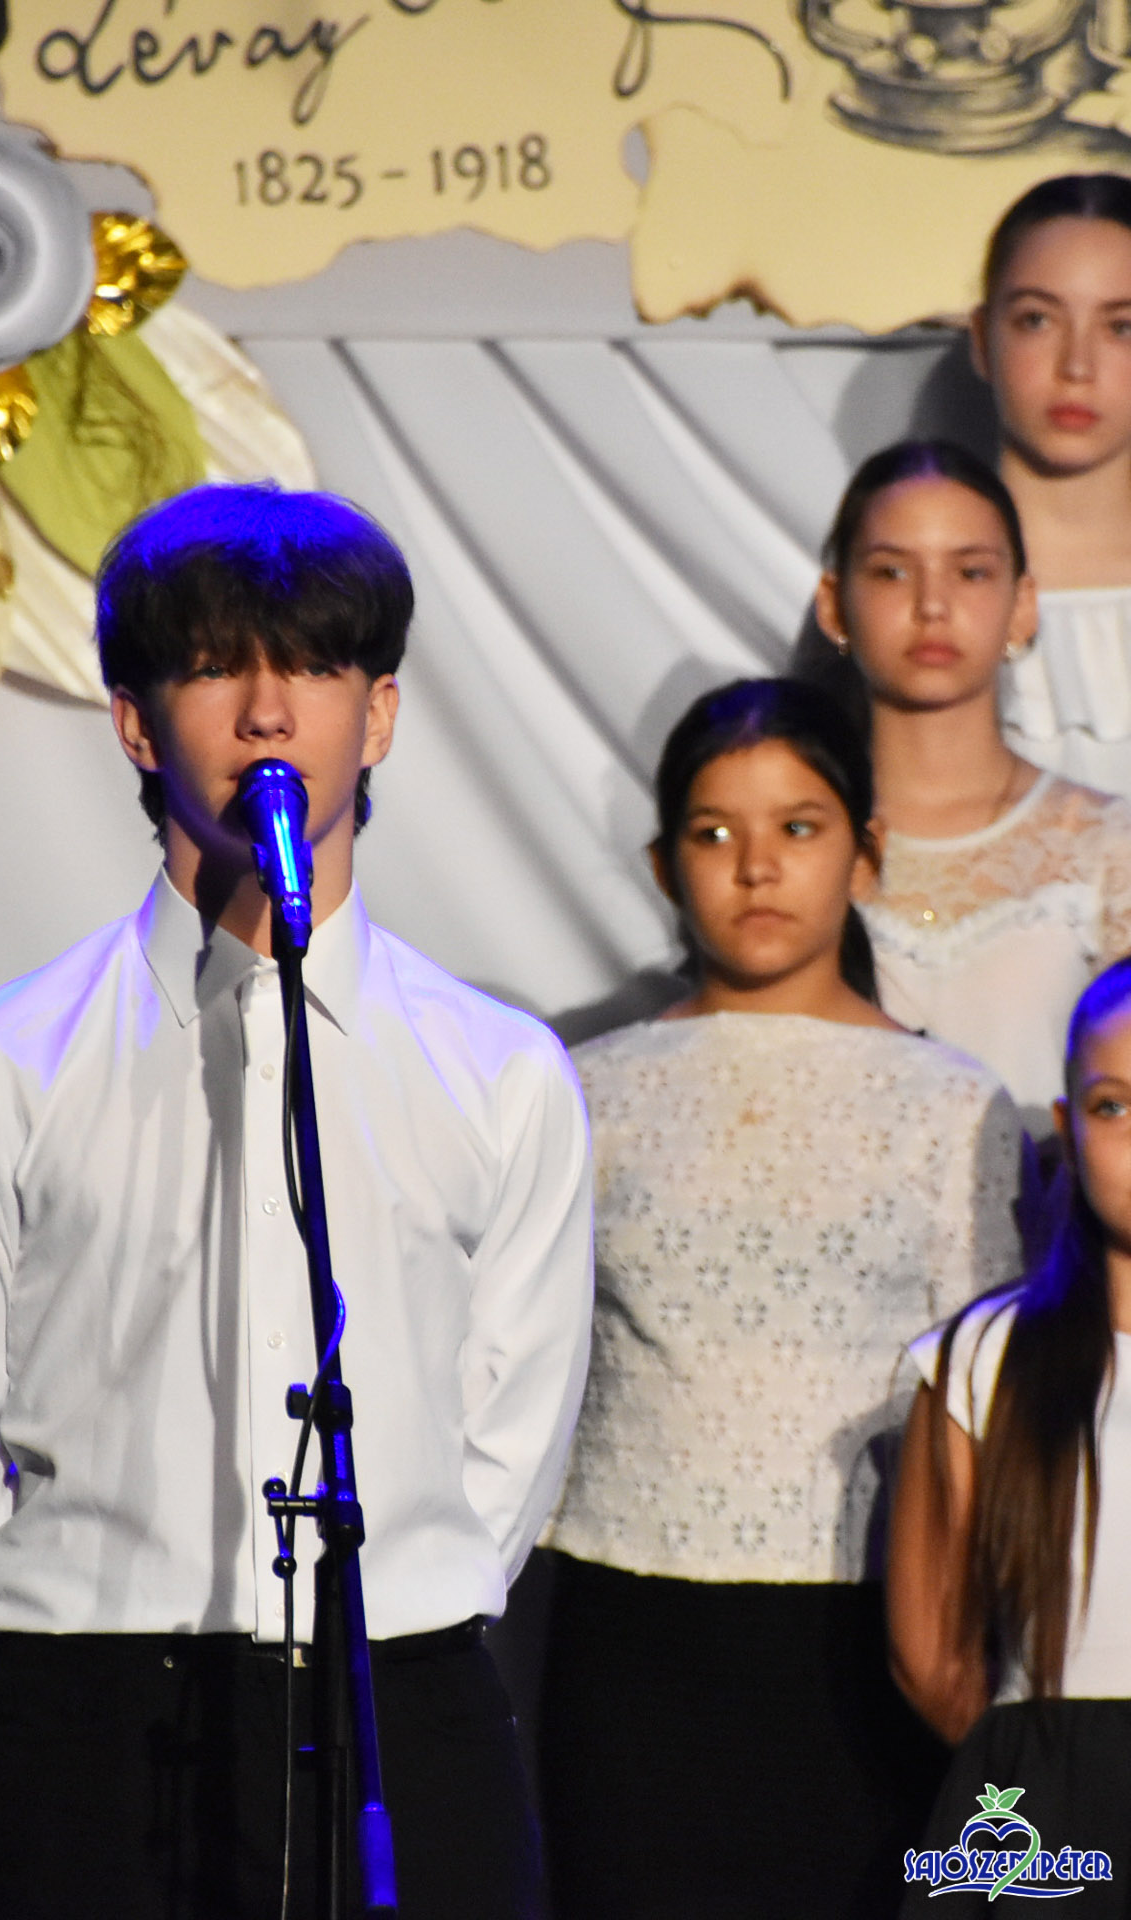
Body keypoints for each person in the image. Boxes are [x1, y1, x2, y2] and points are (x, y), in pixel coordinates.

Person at [0, 482, 594, 1920]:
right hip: (98, 1724)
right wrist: (77, 1630)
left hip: (404, 1705)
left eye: (313, 666)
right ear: (138, 726)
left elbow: (509, 1439)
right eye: (212, 669)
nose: (268, 714)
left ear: (378, 717)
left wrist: (397, 1607)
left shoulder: (501, 1073)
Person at [539, 677, 1024, 1920]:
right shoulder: (582, 1091)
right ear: (664, 865)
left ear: (864, 854)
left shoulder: (951, 1105)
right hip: (627, 1635)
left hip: (868, 1640)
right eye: (715, 833)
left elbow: (981, 1402)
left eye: (798, 828)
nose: (756, 867)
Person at [889, 955, 1131, 1915]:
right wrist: (1051, 1779)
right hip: (1049, 1811)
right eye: (1115, 1106)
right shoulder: (984, 1361)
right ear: (1069, 1127)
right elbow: (931, 1660)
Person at [813, 438, 1131, 1134]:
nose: (933, 605)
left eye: (971, 572)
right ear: (834, 606)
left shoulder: (1107, 846)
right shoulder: (799, 842)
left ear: (1023, 606)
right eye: (892, 572)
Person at [973, 173, 1131, 800]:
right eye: (1037, 320)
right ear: (982, 339)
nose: (1077, 367)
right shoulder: (911, 582)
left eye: (1122, 328)